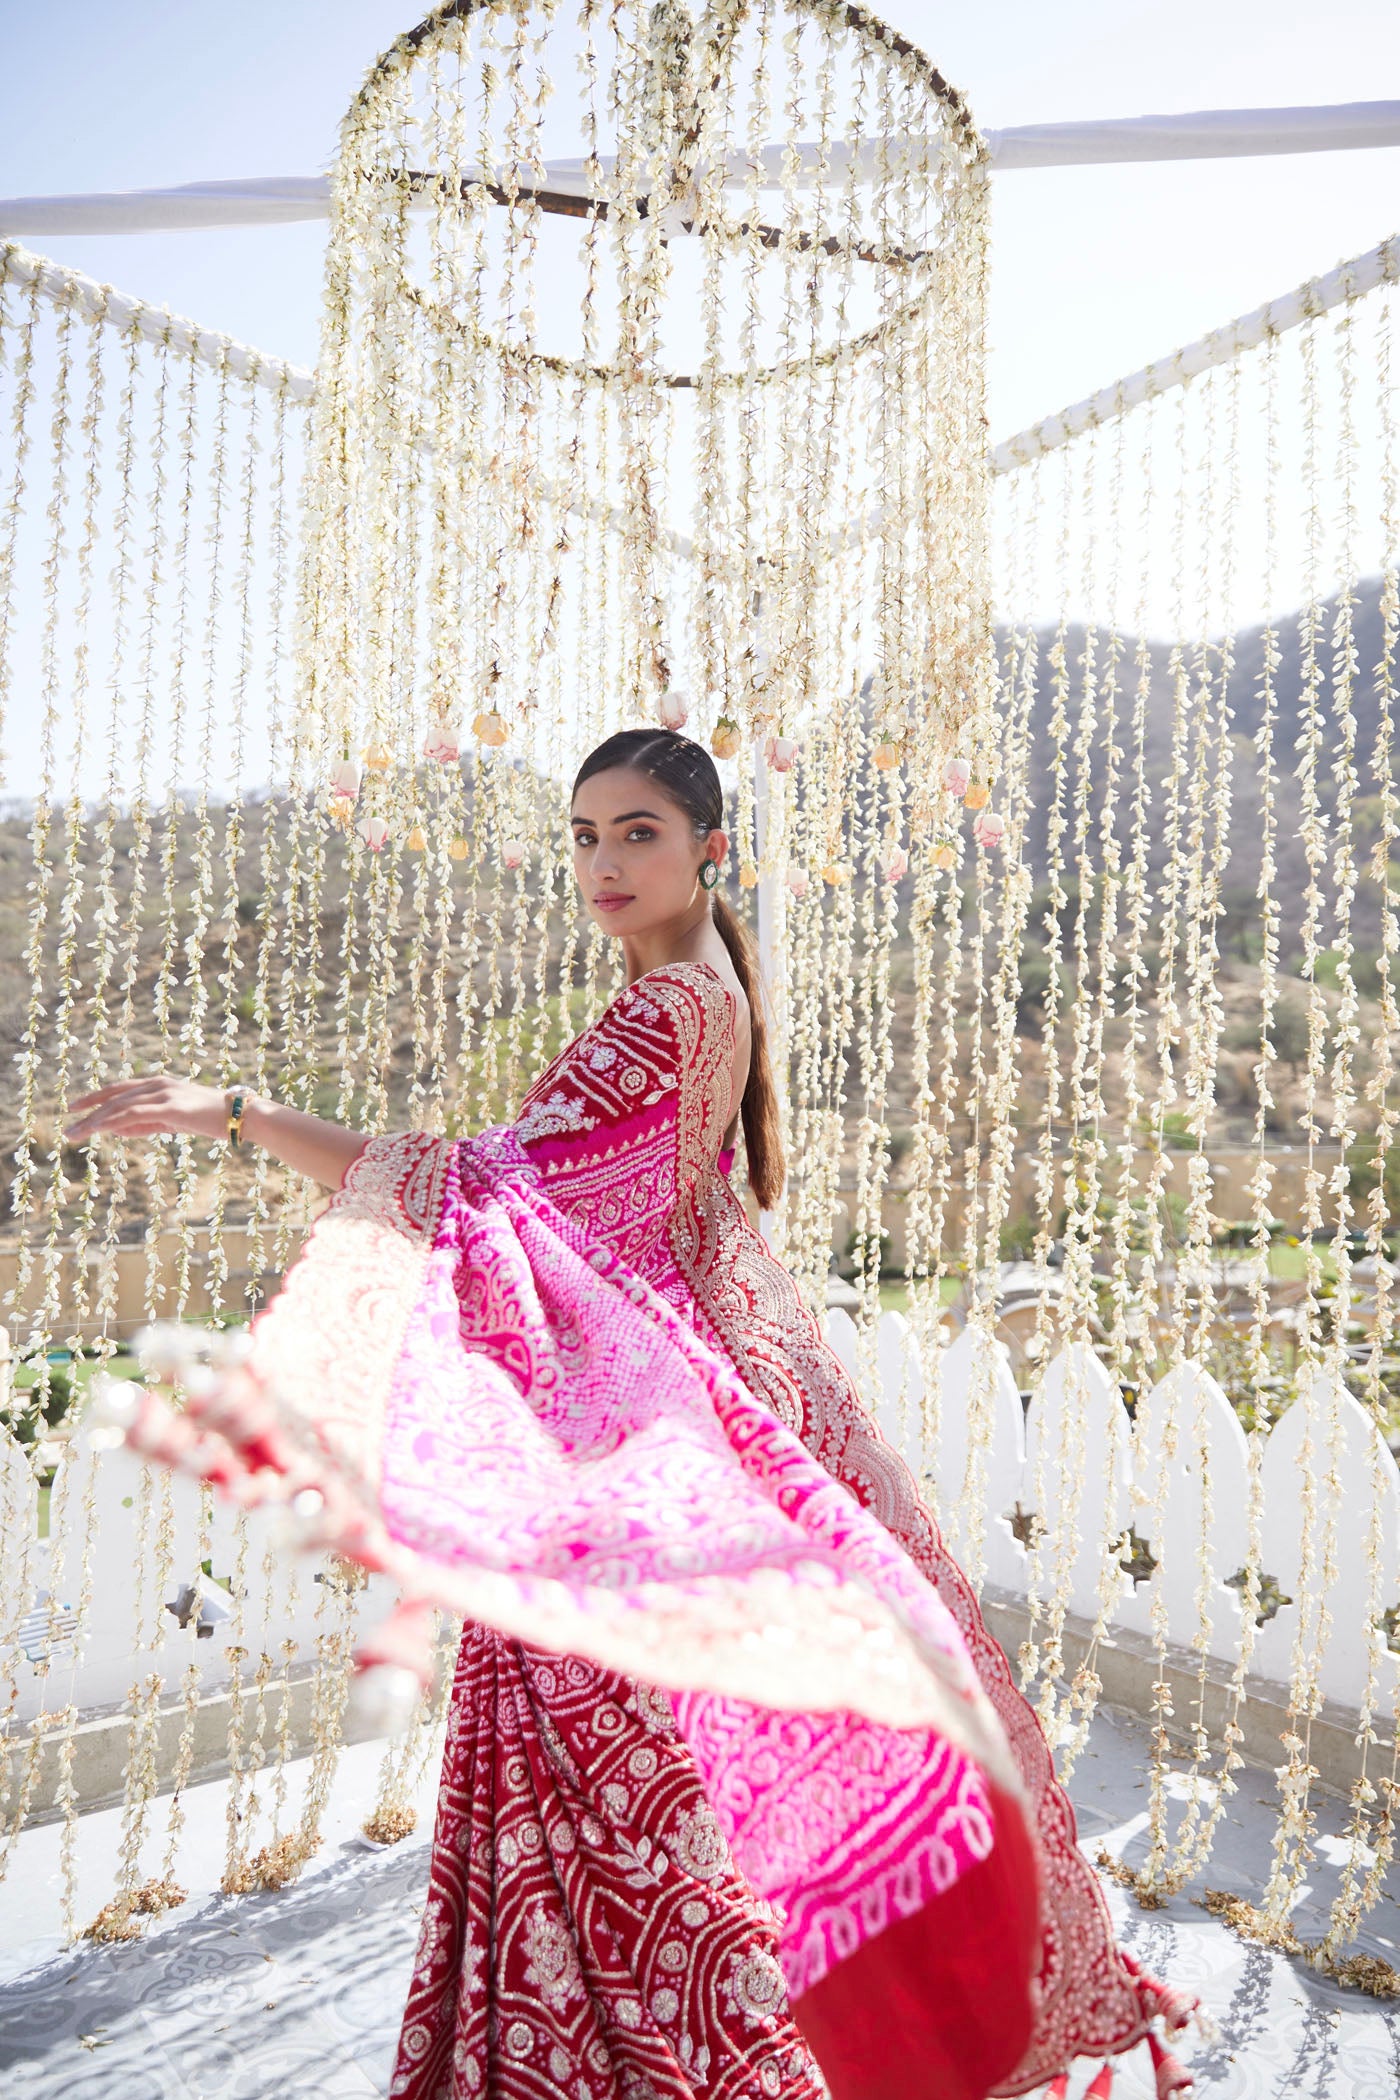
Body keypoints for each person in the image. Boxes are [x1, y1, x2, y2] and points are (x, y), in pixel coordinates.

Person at [65, 728, 1192, 2100]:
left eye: (639, 832)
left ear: (712, 845)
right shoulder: (698, 993)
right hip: (690, 1388)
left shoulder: (669, 1012)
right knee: (706, 1753)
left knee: (631, 1761)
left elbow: (484, 1189)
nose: (605, 861)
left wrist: (237, 1110)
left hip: (647, 1418)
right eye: (587, 835)